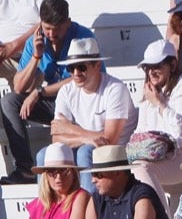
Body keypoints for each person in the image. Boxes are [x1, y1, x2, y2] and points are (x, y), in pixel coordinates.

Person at [0, 0, 95, 184]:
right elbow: (19, 86)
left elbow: (84, 79)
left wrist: (40, 92)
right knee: (9, 101)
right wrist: (36, 57)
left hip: (80, 103)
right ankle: (25, 168)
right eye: (47, 28)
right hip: (54, 104)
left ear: (68, 23)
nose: (51, 34)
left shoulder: (83, 36)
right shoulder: (36, 40)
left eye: (57, 29)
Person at [130, 39, 182, 203]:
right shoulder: (150, 91)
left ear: (172, 65)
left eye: (156, 66)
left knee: (140, 167)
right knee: (127, 168)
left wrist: (160, 104)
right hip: (161, 157)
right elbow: (141, 131)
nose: (151, 72)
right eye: (147, 67)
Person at [50, 37, 134, 185]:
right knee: (45, 155)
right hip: (85, 147)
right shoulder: (66, 91)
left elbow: (109, 140)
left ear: (97, 65)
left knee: (85, 152)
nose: (76, 73)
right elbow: (56, 138)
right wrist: (85, 139)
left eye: (81, 67)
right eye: (71, 68)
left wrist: (69, 128)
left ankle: (90, 205)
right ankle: (50, 207)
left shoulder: (115, 88)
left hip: (118, 153)